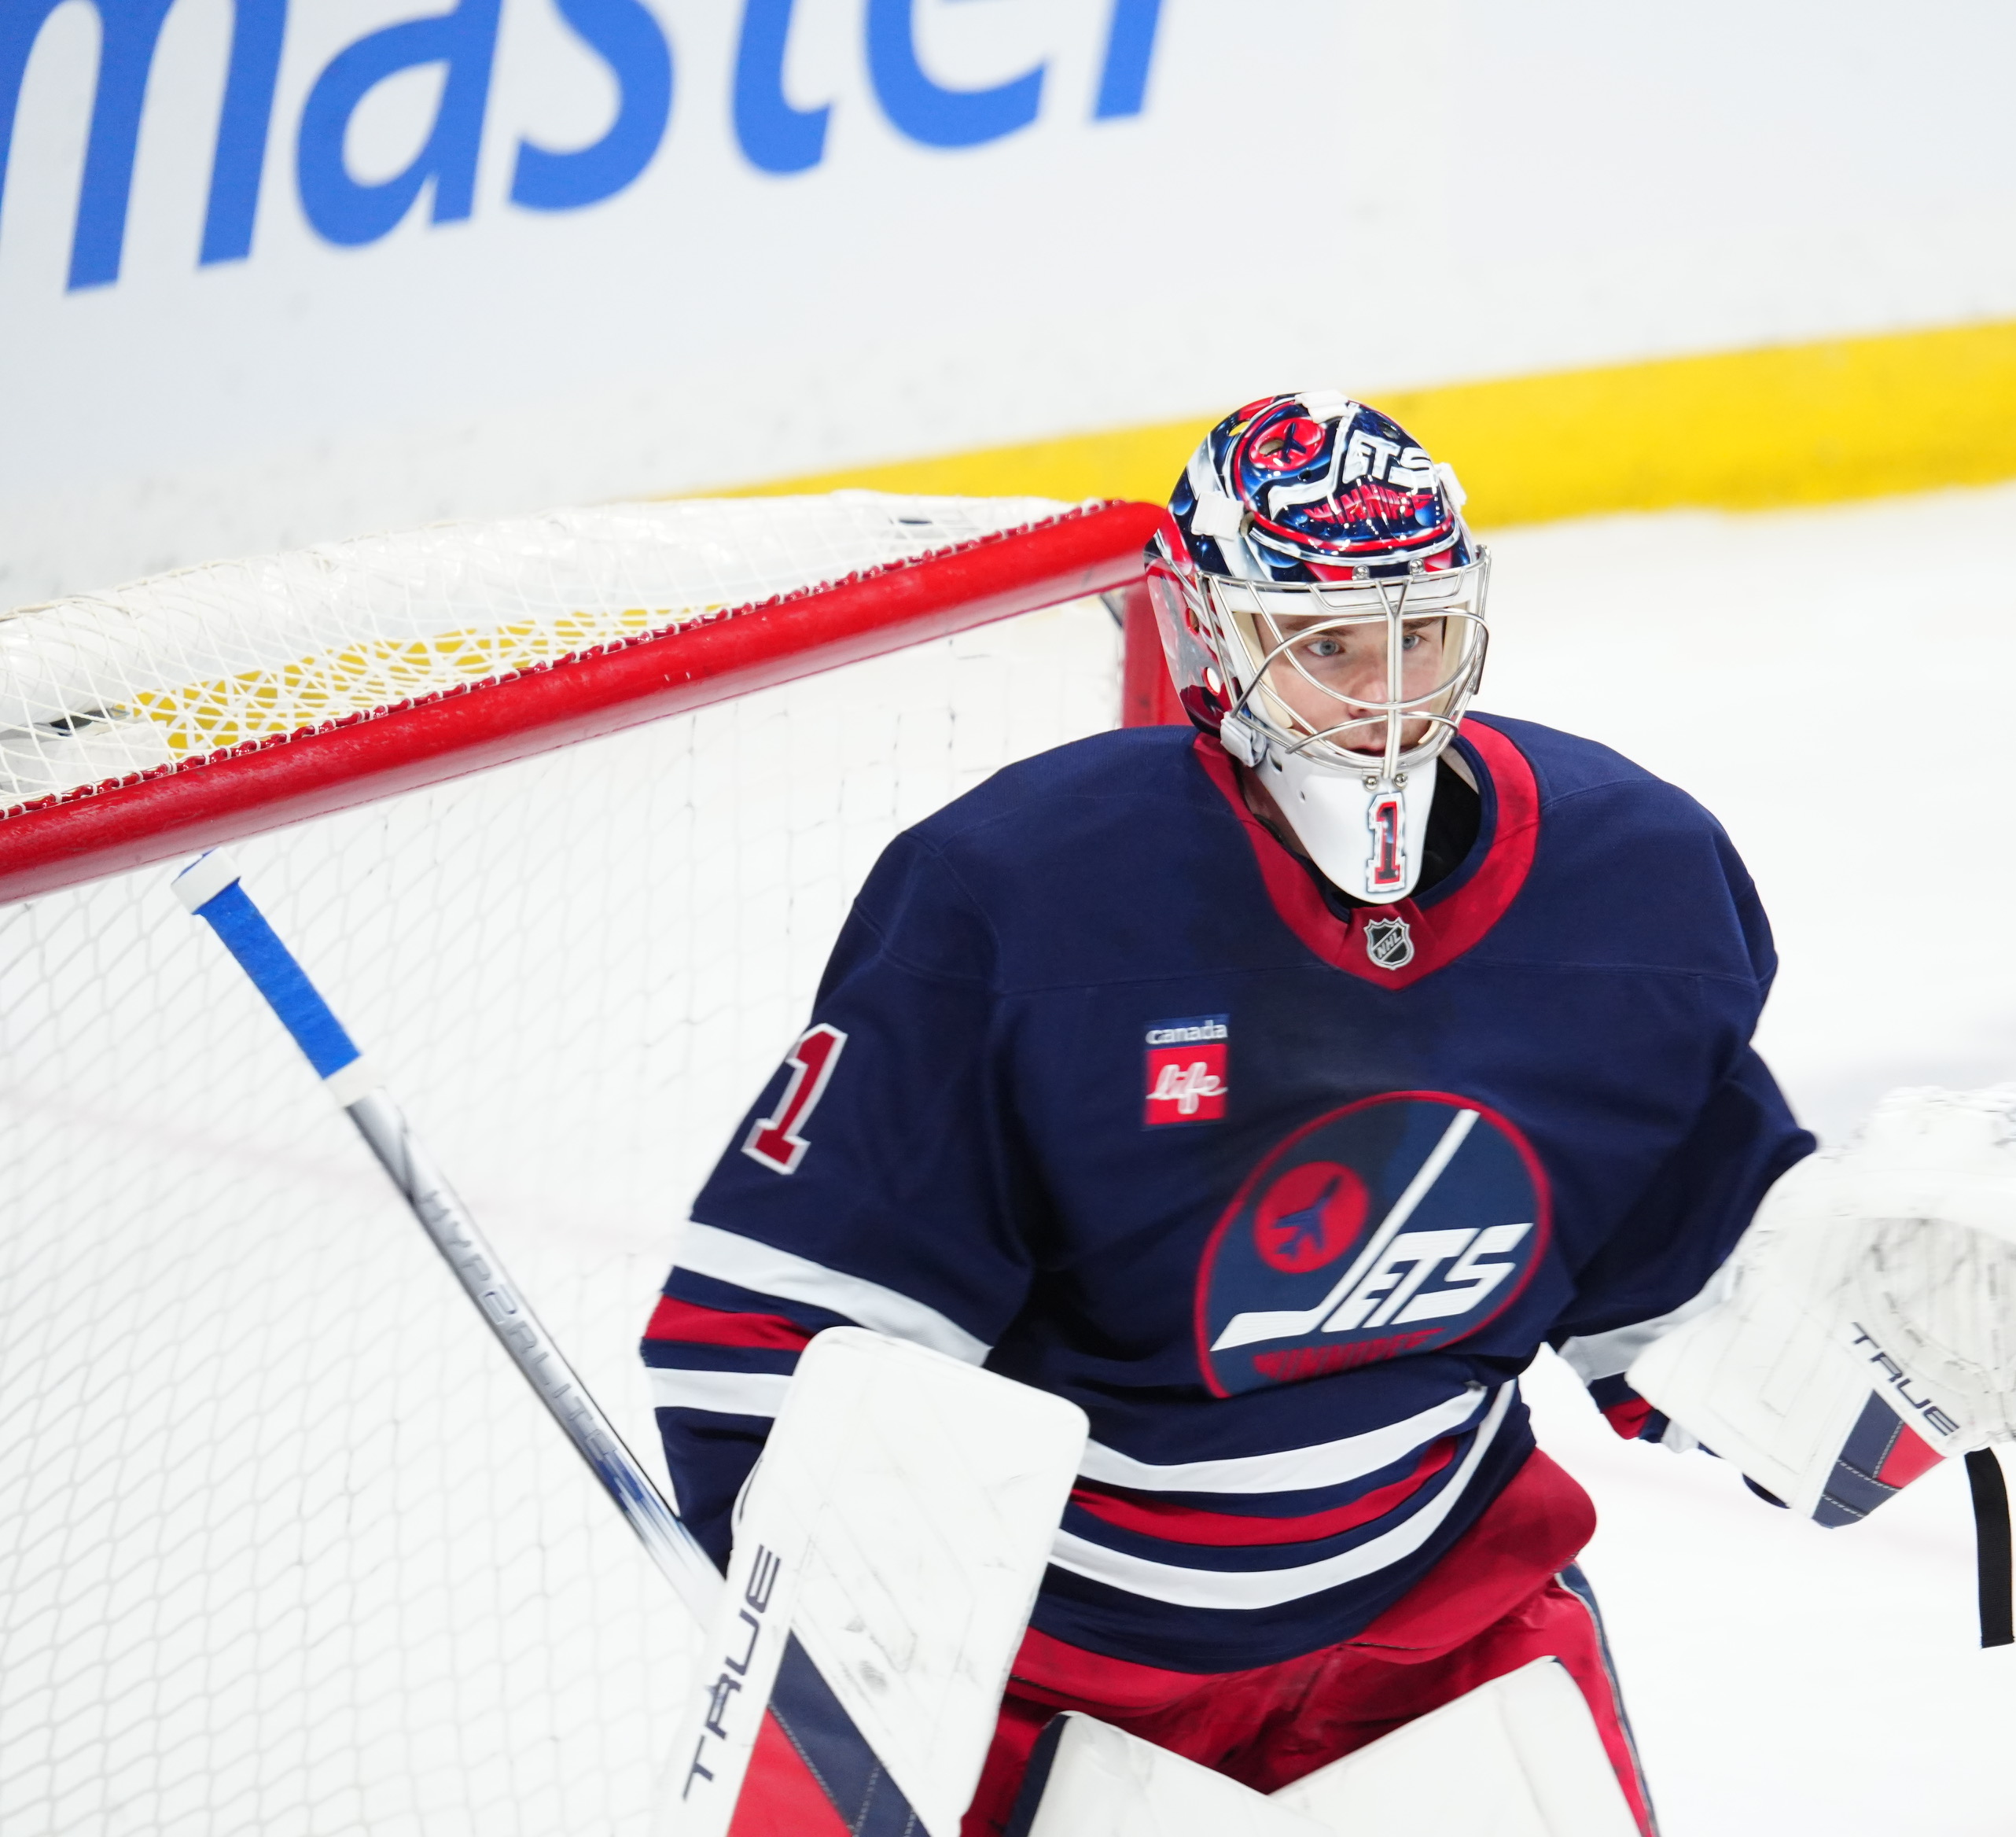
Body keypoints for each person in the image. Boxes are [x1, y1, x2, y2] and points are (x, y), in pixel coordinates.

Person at [639, 391, 1849, 1835]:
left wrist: (1876, 1363)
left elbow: (1684, 1305)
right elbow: (768, 1340)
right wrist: (854, 1681)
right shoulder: (1027, 899)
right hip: (1053, 1686)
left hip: (1442, 1645)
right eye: (1328, 643)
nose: (1387, 692)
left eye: (1418, 633)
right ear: (1210, 630)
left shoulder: (1630, 882)